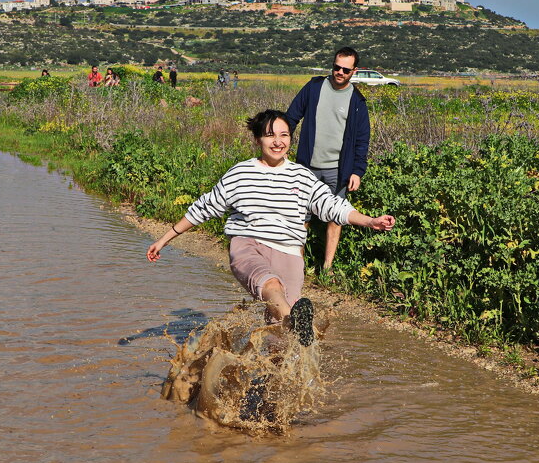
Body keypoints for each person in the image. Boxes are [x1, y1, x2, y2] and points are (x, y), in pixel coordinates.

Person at [146, 109, 394, 343]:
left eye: (284, 135)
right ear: (257, 140)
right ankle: (292, 321)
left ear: (290, 139)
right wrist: (164, 239)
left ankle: (282, 377)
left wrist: (370, 221)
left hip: (289, 253)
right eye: (270, 135)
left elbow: (332, 206)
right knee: (273, 287)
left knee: (282, 339)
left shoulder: (302, 176)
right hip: (248, 246)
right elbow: (204, 207)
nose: (278, 142)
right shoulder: (240, 174)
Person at [285, 46, 369, 272]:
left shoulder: (358, 102)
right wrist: (279, 144)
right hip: (307, 167)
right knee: (301, 216)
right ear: (332, 65)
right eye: (336, 67)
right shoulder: (313, 88)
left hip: (338, 170)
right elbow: (291, 117)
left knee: (335, 217)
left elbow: (362, 141)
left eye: (345, 70)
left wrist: (357, 171)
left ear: (354, 71)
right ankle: (297, 264)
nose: (339, 72)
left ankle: (327, 267)